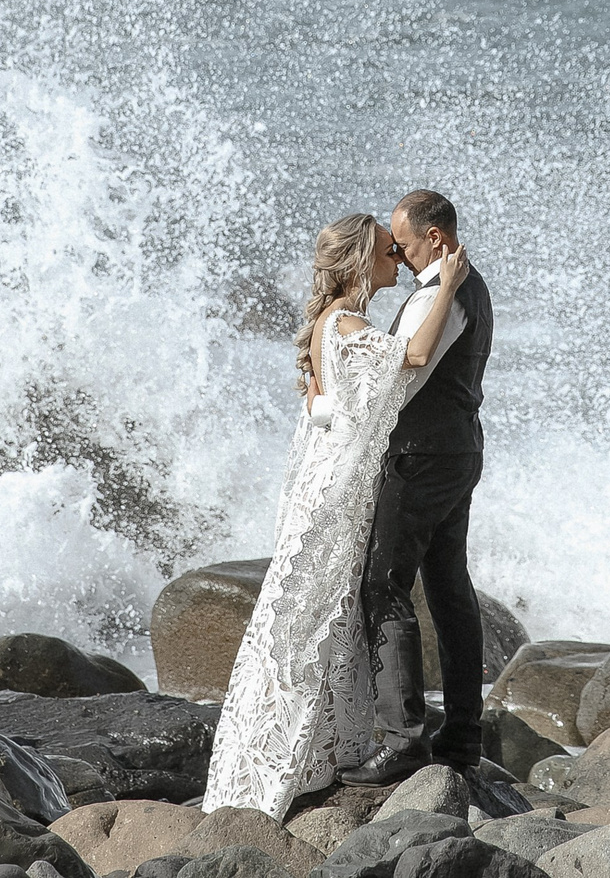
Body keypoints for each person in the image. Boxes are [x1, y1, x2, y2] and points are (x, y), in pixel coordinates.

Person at [199, 207, 473, 818]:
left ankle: (317, 749)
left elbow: (323, 406)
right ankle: (283, 759)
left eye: (399, 248)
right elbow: (414, 356)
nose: (397, 259)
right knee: (316, 614)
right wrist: (448, 285)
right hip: (341, 488)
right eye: (387, 250)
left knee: (322, 614)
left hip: (330, 479)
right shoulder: (347, 322)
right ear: (358, 262)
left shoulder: (331, 322)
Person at [337, 188, 493, 785]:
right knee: (449, 588)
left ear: (434, 237)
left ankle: (402, 739)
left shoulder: (438, 294)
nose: (398, 258)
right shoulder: (471, 287)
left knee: (384, 584)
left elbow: (400, 380)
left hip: (422, 457)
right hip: (456, 450)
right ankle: (461, 737)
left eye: (402, 245)